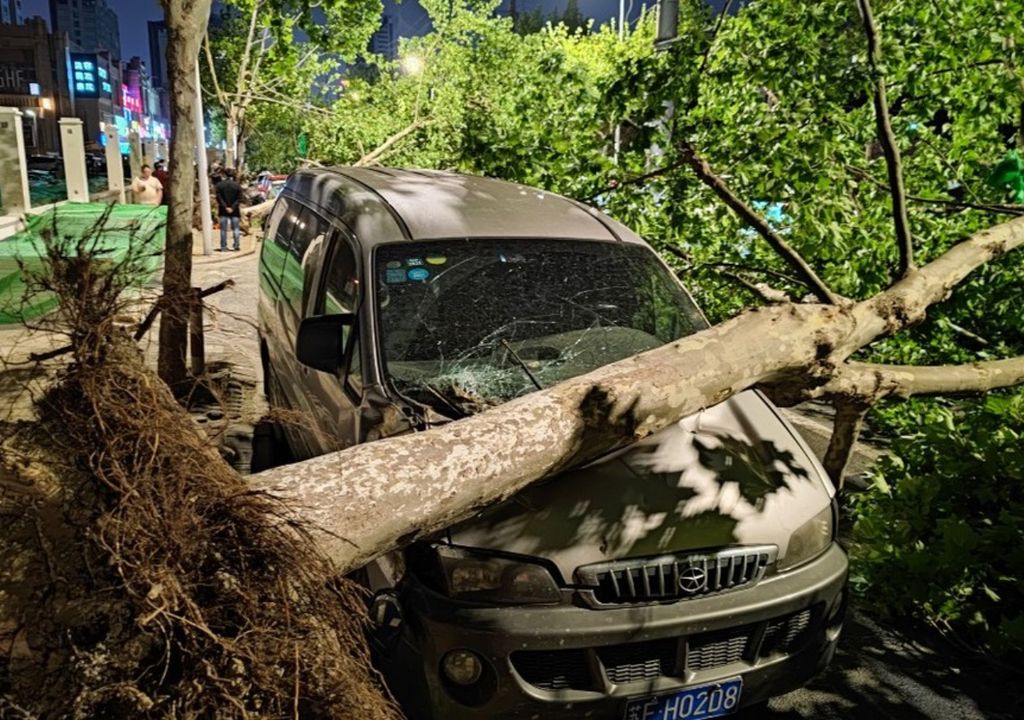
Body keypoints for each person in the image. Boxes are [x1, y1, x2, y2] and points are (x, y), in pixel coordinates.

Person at [215, 167, 243, 251]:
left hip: (223, 210)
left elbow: (219, 198)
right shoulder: (237, 186)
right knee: (236, 229)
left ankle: (223, 247)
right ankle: (236, 245)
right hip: (235, 211)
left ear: (224, 175)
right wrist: (233, 207)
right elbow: (239, 198)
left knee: (223, 230)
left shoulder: (219, 185)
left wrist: (225, 207)